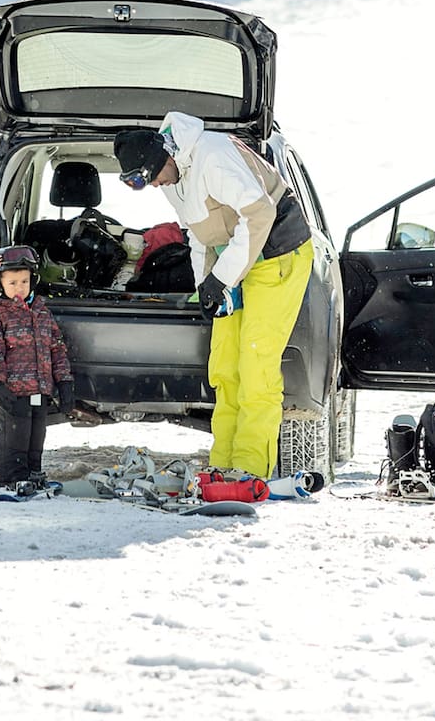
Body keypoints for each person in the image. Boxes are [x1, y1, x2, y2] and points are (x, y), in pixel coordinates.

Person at [114, 111, 314, 481]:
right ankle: (223, 464)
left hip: (277, 255)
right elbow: (197, 235)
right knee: (224, 366)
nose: (155, 185)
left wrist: (220, 278)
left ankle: (251, 469)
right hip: (235, 258)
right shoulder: (174, 178)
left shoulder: (213, 155)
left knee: (256, 366)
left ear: (164, 157)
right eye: (143, 183)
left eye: (150, 176)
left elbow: (260, 215)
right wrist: (205, 285)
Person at [0, 245, 75, 491]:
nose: (20, 287)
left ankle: (32, 473)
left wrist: (64, 382)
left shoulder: (40, 310)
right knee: (14, 436)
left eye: (25, 281)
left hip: (39, 390)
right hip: (12, 391)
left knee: (35, 436)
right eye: (13, 282)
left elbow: (56, 348)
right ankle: (12, 478)